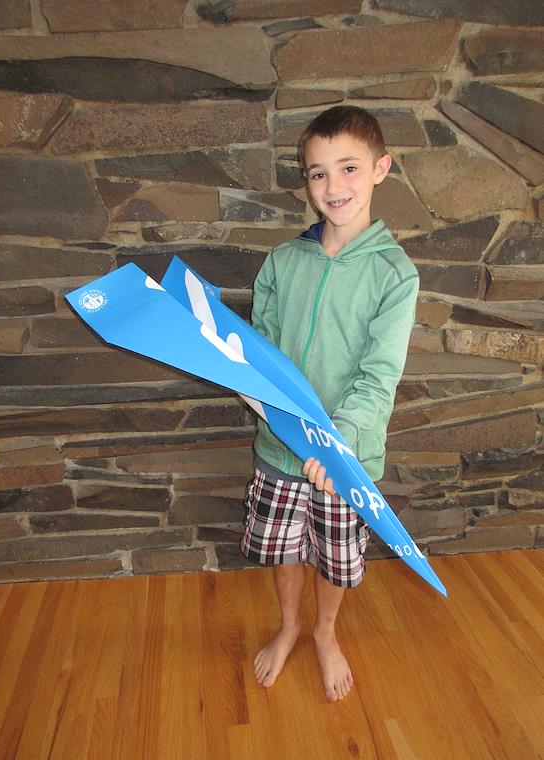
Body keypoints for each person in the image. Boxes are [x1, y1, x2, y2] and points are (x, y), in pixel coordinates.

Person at [239, 105, 420, 702]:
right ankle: (290, 625)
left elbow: (379, 377)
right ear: (307, 180)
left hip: (344, 459)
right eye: (318, 173)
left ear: (381, 169)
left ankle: (324, 632)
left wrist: (335, 443)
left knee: (334, 556)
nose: (333, 186)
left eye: (348, 168)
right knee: (283, 547)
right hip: (278, 450)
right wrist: (242, 377)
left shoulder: (395, 275)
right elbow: (259, 349)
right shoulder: (282, 262)